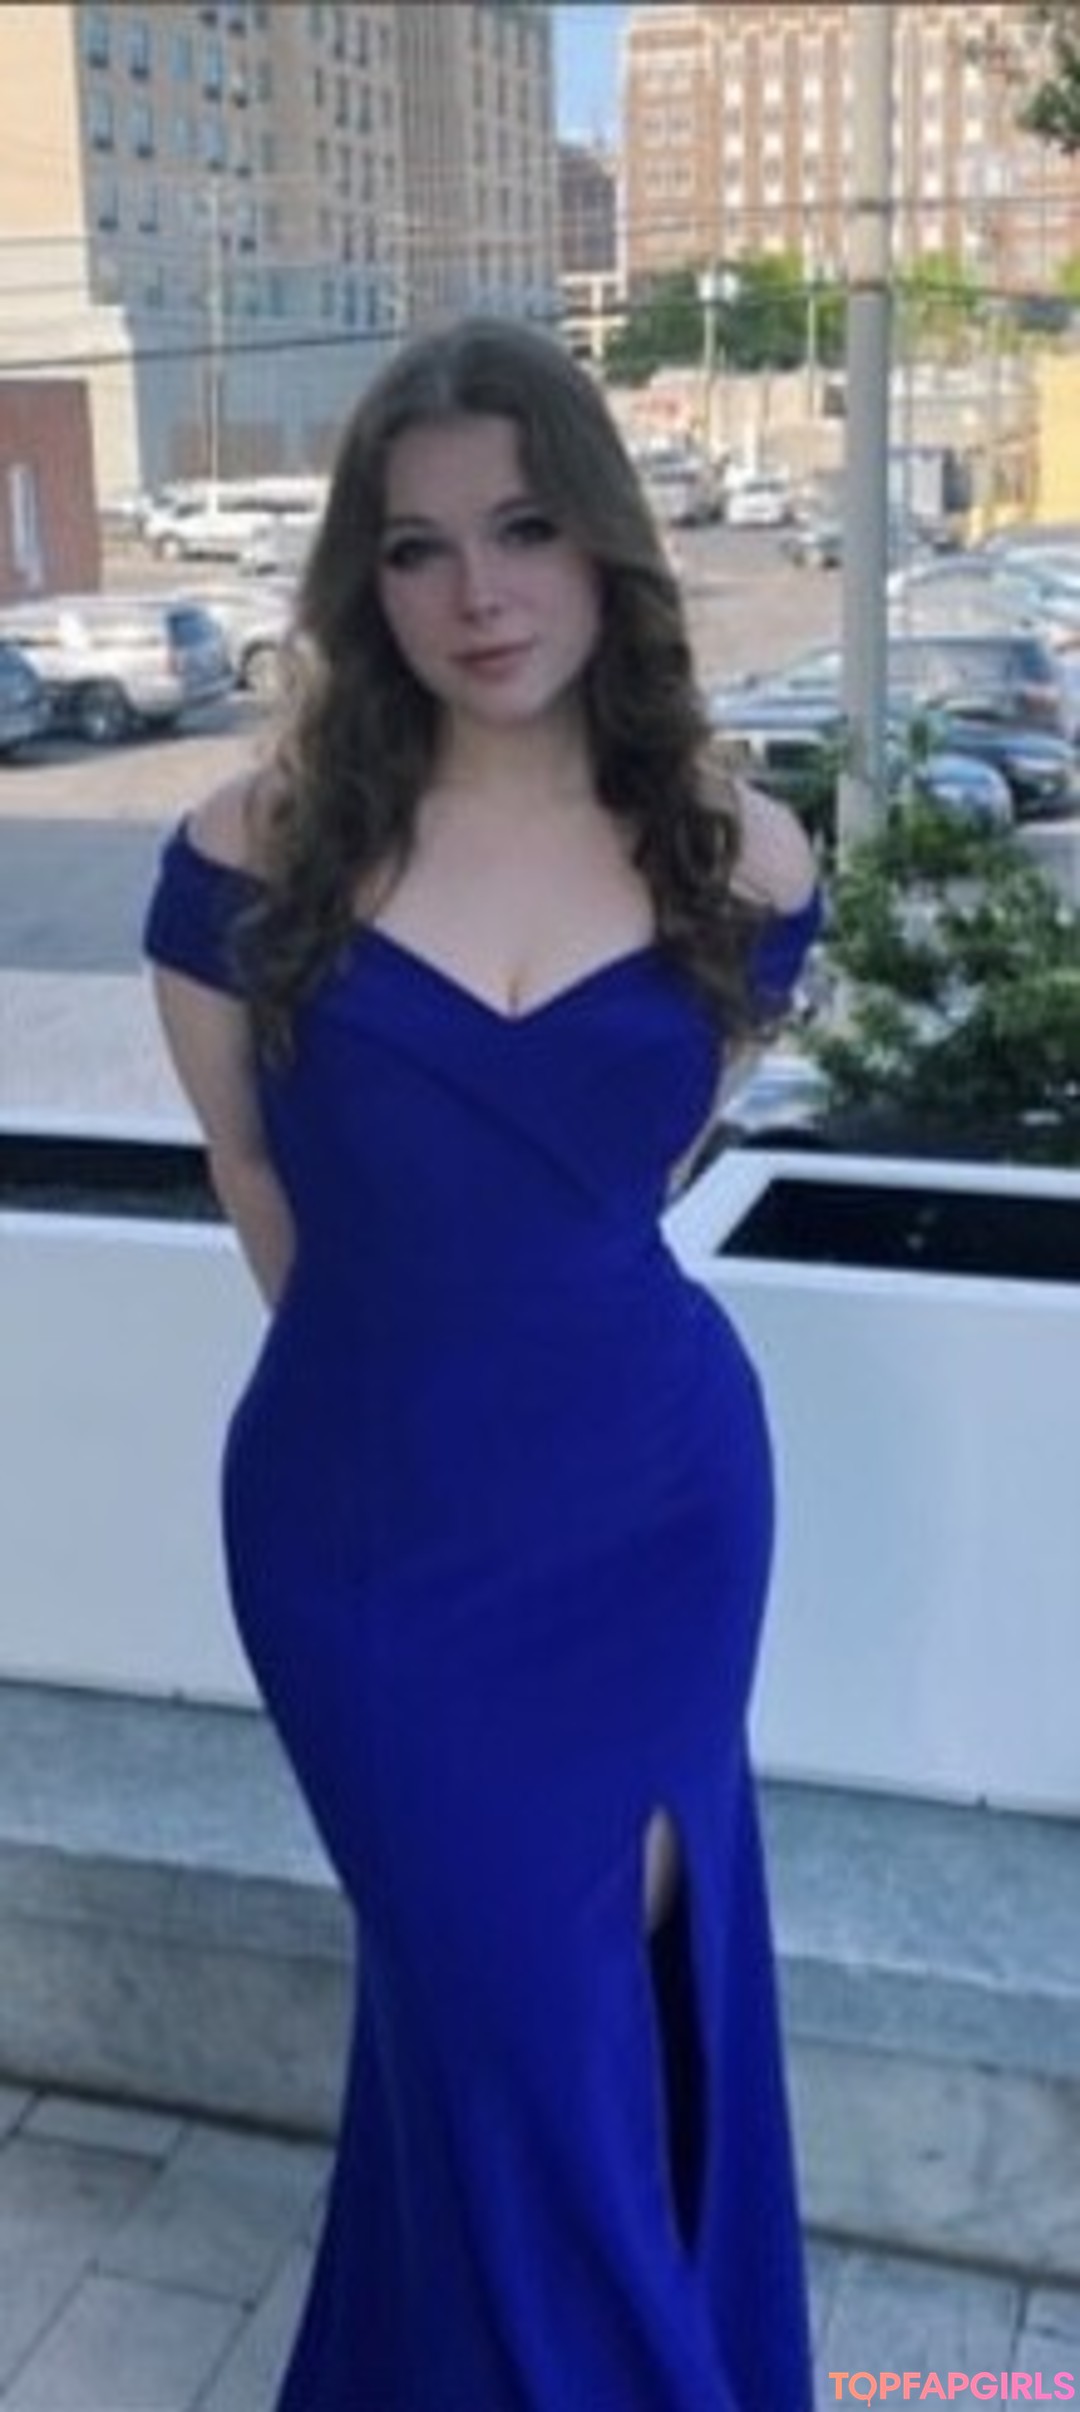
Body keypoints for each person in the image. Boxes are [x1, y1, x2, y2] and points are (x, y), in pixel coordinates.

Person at [143, 314, 821, 2412]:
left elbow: (635, 1179)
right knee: (506, 2008)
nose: (480, 594)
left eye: (525, 529)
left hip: (655, 1515)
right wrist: (412, 1416)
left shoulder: (746, 859)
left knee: (575, 2007)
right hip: (368, 1545)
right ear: (366, 579)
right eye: (419, 547)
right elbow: (260, 1178)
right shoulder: (249, 858)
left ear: (607, 539)